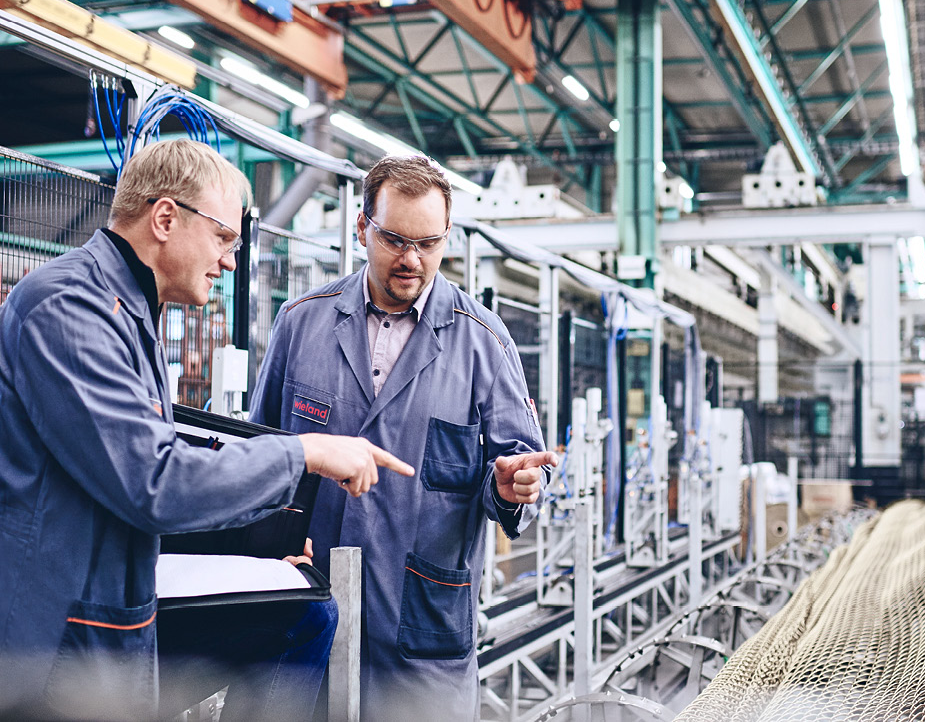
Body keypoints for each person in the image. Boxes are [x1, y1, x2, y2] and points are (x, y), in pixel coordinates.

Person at [0, 139, 412, 720]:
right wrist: (302, 454)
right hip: (51, 651)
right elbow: (154, 482)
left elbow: (119, 475)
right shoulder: (68, 307)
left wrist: (258, 554)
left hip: (103, 620)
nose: (230, 262)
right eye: (223, 238)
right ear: (166, 218)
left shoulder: (126, 311)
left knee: (302, 615)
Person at [250, 155, 558, 719]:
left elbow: (518, 462)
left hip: (421, 624)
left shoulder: (484, 342)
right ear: (362, 228)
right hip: (304, 611)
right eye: (395, 240)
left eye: (430, 244)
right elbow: (257, 458)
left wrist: (514, 486)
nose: (412, 260)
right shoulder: (301, 323)